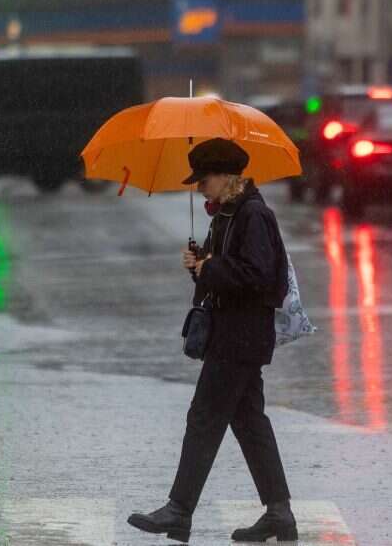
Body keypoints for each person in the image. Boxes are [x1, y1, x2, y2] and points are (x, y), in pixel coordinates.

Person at [127, 138, 297, 543]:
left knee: (204, 417)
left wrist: (211, 267)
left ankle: (179, 511)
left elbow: (258, 277)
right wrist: (199, 265)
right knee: (249, 422)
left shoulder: (253, 214)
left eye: (203, 179)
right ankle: (279, 513)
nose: (198, 187)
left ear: (225, 176)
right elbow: (224, 271)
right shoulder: (229, 213)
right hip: (234, 333)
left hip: (239, 338)